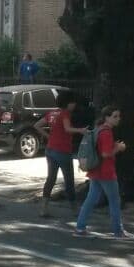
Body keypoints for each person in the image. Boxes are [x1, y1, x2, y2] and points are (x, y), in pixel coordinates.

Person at [74, 106, 134, 239]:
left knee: (91, 199)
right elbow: (106, 153)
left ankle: (80, 227)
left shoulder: (99, 129)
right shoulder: (106, 132)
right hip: (106, 171)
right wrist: (118, 148)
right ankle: (118, 231)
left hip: (95, 169)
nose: (118, 119)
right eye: (115, 116)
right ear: (107, 117)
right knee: (114, 200)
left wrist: (114, 146)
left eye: (118, 116)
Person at [34, 89, 86, 217]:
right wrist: (80, 130)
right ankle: (74, 209)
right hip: (63, 150)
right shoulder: (65, 113)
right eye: (73, 102)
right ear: (68, 103)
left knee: (51, 179)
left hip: (50, 149)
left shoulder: (52, 113)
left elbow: (37, 125)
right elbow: (67, 129)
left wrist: (48, 136)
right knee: (69, 180)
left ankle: (44, 208)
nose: (74, 105)